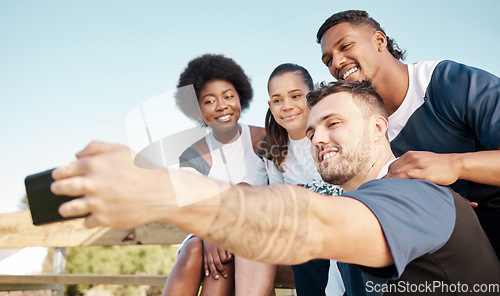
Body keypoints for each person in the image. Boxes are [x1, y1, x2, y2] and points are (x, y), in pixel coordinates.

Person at [52, 81, 500, 295]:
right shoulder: (353, 201)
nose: (318, 136)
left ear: (381, 127)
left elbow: (302, 221)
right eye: (315, 127)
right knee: (219, 261)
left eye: (335, 122)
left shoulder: (417, 194)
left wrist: (157, 189)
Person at [316, 9, 500, 258]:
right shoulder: (360, 131)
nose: (336, 63)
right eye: (328, 60)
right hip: (446, 245)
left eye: (345, 46)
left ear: (379, 41)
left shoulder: (445, 82)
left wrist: (455, 165)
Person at [160, 54, 276, 296]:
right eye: (209, 101)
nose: (222, 106)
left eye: (228, 96)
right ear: (197, 109)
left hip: (254, 233)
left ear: (240, 98)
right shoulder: (193, 155)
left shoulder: (264, 139)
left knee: (230, 247)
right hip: (205, 236)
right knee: (195, 249)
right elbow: (193, 211)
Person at [264, 63, 344, 296]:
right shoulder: (275, 154)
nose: (287, 106)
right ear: (270, 106)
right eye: (277, 100)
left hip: (343, 229)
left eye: (295, 96)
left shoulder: (332, 138)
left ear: (311, 97)